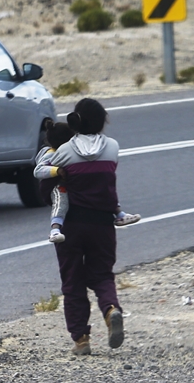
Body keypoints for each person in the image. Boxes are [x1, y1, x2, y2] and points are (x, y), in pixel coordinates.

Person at [33, 98, 127, 355]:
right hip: (103, 223)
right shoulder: (113, 147)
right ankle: (110, 310)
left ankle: (81, 339)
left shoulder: (63, 152)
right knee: (102, 274)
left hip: (71, 226)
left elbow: (45, 187)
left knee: (72, 281)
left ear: (75, 120)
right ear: (101, 121)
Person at [35, 121, 142, 245]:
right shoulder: (51, 154)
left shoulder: (68, 151)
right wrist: (56, 170)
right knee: (61, 201)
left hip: (72, 184)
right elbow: (38, 171)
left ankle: (120, 214)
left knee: (102, 186)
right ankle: (55, 229)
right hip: (58, 186)